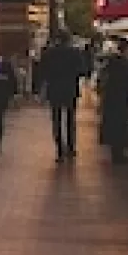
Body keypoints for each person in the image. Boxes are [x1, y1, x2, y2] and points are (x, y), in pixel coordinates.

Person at [40, 33, 85, 161]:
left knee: (56, 119)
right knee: (71, 118)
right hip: (70, 89)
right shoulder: (75, 53)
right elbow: (82, 69)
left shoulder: (49, 53)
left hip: (54, 89)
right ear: (69, 40)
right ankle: (71, 147)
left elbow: (43, 71)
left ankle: (60, 149)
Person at [98, 41, 128, 164]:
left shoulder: (113, 63)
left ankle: (116, 153)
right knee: (120, 125)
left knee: (114, 125)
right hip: (120, 99)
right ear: (126, 50)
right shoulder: (125, 65)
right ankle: (118, 154)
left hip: (111, 99)